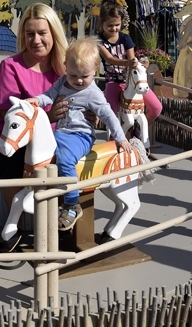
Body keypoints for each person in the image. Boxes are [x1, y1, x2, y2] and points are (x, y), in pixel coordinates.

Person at [0, 3, 70, 242]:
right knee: (18, 161)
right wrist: (47, 118)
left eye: (42, 33)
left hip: (53, 144)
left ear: (54, 34)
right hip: (8, 145)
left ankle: (64, 222)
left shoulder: (66, 71)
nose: (36, 40)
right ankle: (14, 229)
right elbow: (14, 119)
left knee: (72, 157)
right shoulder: (10, 67)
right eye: (30, 34)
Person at [28, 38, 132, 231]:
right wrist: (36, 101)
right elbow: (48, 96)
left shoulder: (93, 93)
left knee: (65, 159)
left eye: (84, 76)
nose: (78, 80)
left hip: (80, 136)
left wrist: (120, 138)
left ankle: (72, 204)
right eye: (73, 74)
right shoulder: (62, 82)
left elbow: (109, 115)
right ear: (66, 67)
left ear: (95, 71)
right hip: (59, 133)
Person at [96, 0, 162, 126]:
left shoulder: (126, 38)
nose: (114, 28)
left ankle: (138, 130)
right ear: (102, 23)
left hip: (131, 80)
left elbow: (132, 60)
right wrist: (129, 63)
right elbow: (110, 59)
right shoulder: (99, 41)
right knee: (111, 114)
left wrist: (141, 63)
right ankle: (115, 139)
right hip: (113, 82)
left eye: (117, 25)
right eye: (110, 25)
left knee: (156, 107)